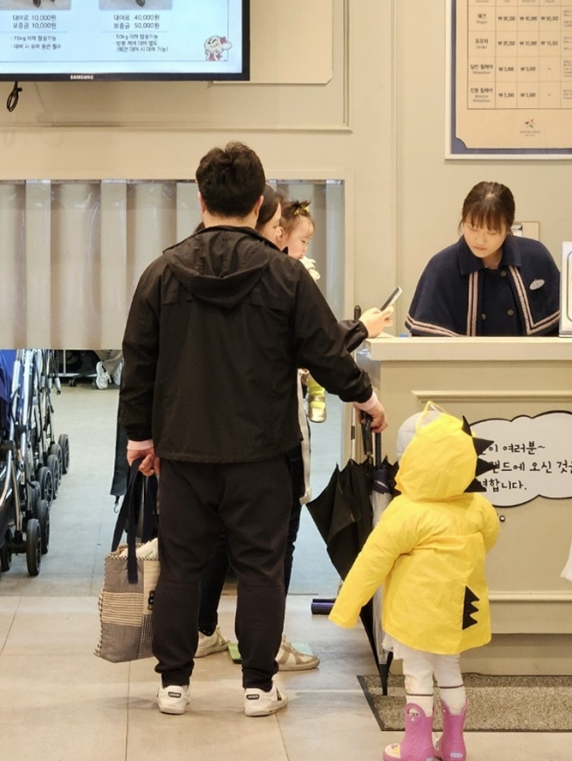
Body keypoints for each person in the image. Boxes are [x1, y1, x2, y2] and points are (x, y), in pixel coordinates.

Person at [118, 141, 387, 717]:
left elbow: (138, 360)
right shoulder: (285, 276)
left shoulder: (161, 273)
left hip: (185, 454)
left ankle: (173, 684)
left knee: (182, 566)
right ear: (260, 204)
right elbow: (325, 352)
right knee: (263, 567)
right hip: (262, 454)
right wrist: (365, 397)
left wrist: (140, 437)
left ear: (201, 199)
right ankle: (259, 688)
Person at [196, 188, 394, 670]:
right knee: (271, 547)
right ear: (265, 225)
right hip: (268, 437)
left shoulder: (191, 269)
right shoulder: (279, 278)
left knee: (219, 539)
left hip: (212, 434)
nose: (293, 244)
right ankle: (263, 651)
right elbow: (318, 346)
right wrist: (363, 379)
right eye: (287, 233)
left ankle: (203, 636)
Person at [330, 404, 499, 761]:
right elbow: (489, 540)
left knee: (418, 672)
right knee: (450, 668)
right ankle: (454, 746)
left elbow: (371, 563)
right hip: (460, 610)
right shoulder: (477, 506)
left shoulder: (405, 512)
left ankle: (416, 747)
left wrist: (345, 609)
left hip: (416, 613)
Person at [406, 181, 560, 336]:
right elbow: (425, 344)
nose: (479, 241)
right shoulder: (440, 268)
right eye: (472, 228)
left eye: (491, 232)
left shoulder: (536, 256)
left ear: (508, 228)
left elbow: (560, 333)